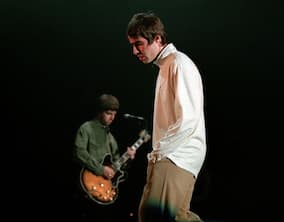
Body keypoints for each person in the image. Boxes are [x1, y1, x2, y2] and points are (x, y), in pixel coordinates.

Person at [126, 12, 207, 222]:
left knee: (152, 215)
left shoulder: (178, 63)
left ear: (158, 39)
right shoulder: (166, 66)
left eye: (139, 44)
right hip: (174, 154)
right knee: (177, 217)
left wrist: (159, 153)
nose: (134, 51)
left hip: (176, 154)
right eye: (132, 45)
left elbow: (188, 118)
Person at [72, 93, 137, 221]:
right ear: (99, 112)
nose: (112, 117)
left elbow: (116, 167)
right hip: (85, 184)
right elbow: (79, 152)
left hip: (103, 187)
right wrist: (101, 169)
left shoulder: (111, 138)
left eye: (114, 114)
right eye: (108, 113)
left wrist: (128, 158)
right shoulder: (86, 128)